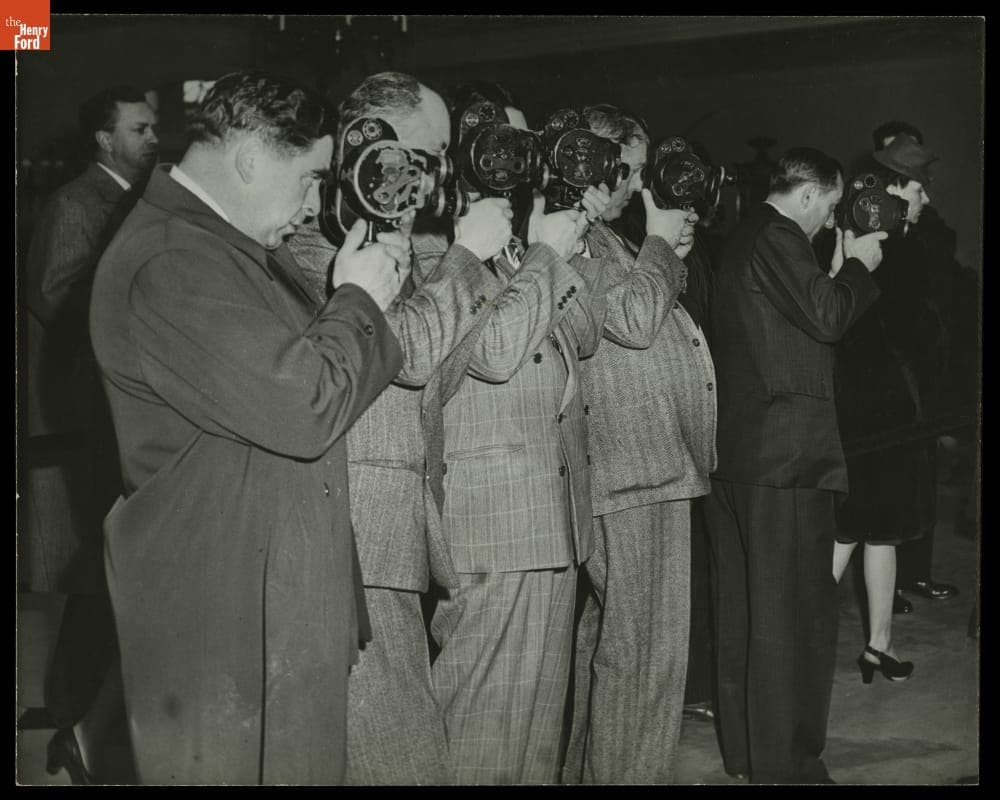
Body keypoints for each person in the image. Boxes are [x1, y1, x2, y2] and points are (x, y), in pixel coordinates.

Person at [88, 71, 406, 785]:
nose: (315, 203)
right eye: (311, 179)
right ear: (253, 160)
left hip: (271, 600)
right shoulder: (172, 259)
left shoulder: (225, 247)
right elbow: (306, 407)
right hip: (221, 617)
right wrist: (357, 298)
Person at [287, 71, 514, 785]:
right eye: (427, 154)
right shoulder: (320, 248)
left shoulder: (391, 242)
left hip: (396, 529)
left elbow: (437, 382)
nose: (437, 173)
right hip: (360, 531)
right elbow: (408, 359)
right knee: (402, 754)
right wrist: (465, 260)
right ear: (370, 143)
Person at [429, 89, 611, 785]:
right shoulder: (443, 244)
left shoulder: (514, 244)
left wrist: (572, 244)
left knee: (536, 738)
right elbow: (498, 351)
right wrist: (541, 254)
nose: (526, 160)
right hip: (492, 521)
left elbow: (587, 335)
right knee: (480, 730)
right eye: (513, 147)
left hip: (551, 513)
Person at [704, 147, 886, 784]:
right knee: (793, 621)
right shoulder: (779, 235)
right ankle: (788, 768)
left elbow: (795, 327)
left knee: (745, 617)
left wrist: (831, 275)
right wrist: (858, 269)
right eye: (831, 206)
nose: (830, 219)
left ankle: (751, 756)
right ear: (809, 195)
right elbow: (830, 318)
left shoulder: (743, 235)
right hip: (784, 463)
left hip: (742, 459)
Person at [562, 105, 713, 785]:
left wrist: (664, 253)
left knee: (610, 651)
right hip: (633, 472)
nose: (642, 182)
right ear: (606, 163)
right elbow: (633, 320)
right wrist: (656, 242)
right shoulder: (584, 240)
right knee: (645, 659)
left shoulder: (594, 237)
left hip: (637, 469)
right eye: (635, 168)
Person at [22, 84, 159, 784]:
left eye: (152, 125)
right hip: (83, 417)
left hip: (106, 413)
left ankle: (77, 720)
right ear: (104, 139)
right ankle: (70, 720)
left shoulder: (123, 200)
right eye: (139, 128)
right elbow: (51, 290)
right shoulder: (79, 202)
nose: (152, 138)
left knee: (104, 577)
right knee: (91, 578)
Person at [832, 133, 945, 684]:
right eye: (919, 186)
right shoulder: (889, 247)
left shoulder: (873, 239)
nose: (925, 197)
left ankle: (879, 645)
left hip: (891, 410)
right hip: (872, 413)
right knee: (851, 527)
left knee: (880, 530)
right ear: (897, 189)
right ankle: (798, 640)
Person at [871, 121, 964, 610]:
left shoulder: (924, 233)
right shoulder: (883, 238)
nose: (924, 196)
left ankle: (911, 577)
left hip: (922, 379)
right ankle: (887, 590)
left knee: (917, 483)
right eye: (917, 187)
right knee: (885, 498)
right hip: (896, 387)